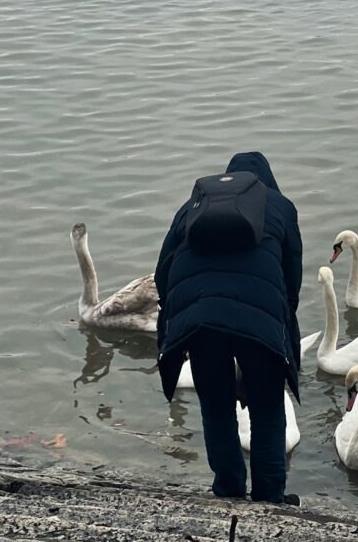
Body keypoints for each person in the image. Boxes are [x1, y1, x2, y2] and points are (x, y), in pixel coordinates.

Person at [154, 151, 302, 504]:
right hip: (260, 314)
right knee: (267, 406)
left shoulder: (193, 207)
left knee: (216, 404)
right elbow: (291, 280)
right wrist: (276, 331)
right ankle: (269, 497)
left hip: (200, 319)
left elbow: (162, 274)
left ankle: (228, 487)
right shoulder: (280, 206)